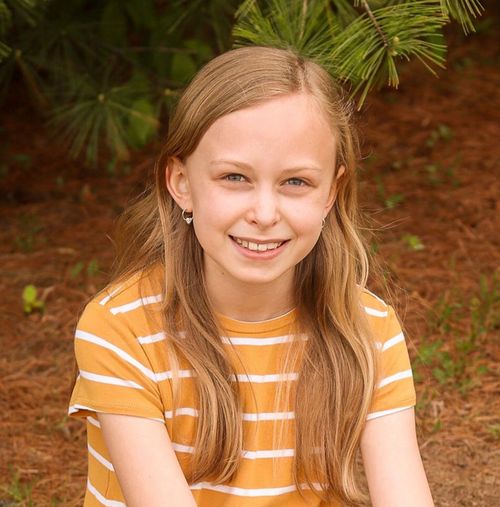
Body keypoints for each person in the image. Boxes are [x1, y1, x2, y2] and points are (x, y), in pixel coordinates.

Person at [68, 46, 434, 507]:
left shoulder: (366, 330)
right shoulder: (121, 329)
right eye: (235, 177)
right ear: (181, 183)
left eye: (295, 182)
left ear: (330, 193)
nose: (264, 214)